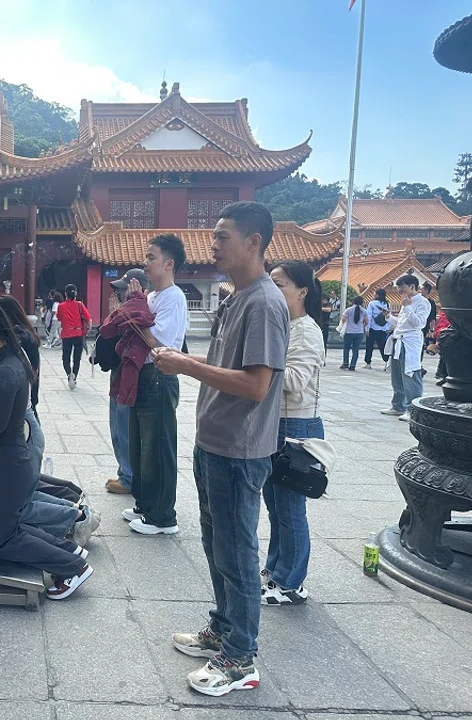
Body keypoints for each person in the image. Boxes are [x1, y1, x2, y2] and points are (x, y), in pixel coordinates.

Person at [153, 201, 289, 697]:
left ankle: (240, 658)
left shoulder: (265, 304)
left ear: (253, 241)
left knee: (235, 549)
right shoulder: (236, 298)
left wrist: (186, 367)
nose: (213, 245)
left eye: (222, 236)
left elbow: (256, 385)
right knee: (217, 545)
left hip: (239, 449)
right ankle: (224, 627)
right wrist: (189, 360)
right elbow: (225, 364)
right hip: (213, 442)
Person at [0, 303, 93, 600]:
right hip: (6, 458)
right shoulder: (8, 360)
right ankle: (68, 549)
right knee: (7, 526)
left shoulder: (7, 369)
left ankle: (72, 566)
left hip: (5, 460)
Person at [0, 296, 100, 546]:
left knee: (19, 501)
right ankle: (77, 512)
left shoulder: (16, 346)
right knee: (24, 491)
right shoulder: (24, 340)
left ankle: (78, 516)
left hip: (24, 421)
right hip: (28, 415)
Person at [262, 261, 326, 606]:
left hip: (297, 428)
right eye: (271, 283)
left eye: (281, 284)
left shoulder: (306, 330)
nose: (274, 290)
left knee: (289, 509)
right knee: (275, 506)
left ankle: (291, 583)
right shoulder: (284, 325)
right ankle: (275, 570)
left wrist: (255, 372)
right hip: (278, 425)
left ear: (302, 291)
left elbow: (294, 381)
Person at [114, 235, 188, 536]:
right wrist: (137, 305)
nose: (145, 262)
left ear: (168, 264)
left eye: (151, 257)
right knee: (139, 445)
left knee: (158, 447)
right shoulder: (153, 297)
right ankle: (145, 505)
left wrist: (135, 308)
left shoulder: (174, 297)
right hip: (141, 376)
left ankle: (163, 517)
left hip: (159, 376)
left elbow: (157, 343)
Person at [103, 269, 148, 495]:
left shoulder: (140, 312)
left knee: (124, 428)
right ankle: (124, 471)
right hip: (116, 373)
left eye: (123, 290)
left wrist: (117, 315)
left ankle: (129, 476)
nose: (119, 294)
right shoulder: (123, 312)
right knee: (116, 427)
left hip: (130, 375)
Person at [381, 274, 431, 422]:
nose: (400, 292)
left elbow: (418, 324)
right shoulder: (405, 303)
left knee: (410, 375)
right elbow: (402, 323)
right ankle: (398, 405)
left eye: (402, 288)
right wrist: (389, 317)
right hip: (399, 340)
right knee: (396, 375)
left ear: (412, 286)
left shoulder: (423, 302)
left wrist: (408, 307)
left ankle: (412, 409)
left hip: (410, 342)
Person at [56, 284, 92, 390]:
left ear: (65, 293)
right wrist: (87, 330)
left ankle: (69, 374)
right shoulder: (80, 305)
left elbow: (59, 318)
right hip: (78, 334)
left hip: (66, 334)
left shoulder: (61, 306)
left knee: (65, 357)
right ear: (75, 293)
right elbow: (88, 319)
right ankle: (74, 376)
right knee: (77, 358)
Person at [363, 288, 391, 370]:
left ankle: (368, 363)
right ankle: (386, 362)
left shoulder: (372, 304)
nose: (373, 295)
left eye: (374, 293)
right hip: (383, 329)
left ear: (377, 295)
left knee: (369, 346)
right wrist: (387, 328)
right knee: (383, 346)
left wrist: (367, 328)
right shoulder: (388, 304)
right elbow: (389, 317)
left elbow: (369, 316)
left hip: (373, 328)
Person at [339, 296, 367, 371]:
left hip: (349, 331)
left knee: (346, 348)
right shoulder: (364, 311)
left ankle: (345, 363)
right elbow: (366, 321)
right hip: (359, 332)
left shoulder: (348, 310)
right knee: (355, 349)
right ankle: (353, 365)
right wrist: (362, 326)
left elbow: (343, 319)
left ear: (353, 301)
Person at [432, 310, 451, 386]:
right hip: (443, 334)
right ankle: (444, 376)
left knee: (447, 358)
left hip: (447, 335)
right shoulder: (444, 312)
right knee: (444, 357)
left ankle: (446, 376)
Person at [421, 281, 438, 366]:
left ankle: (418, 363)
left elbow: (432, 317)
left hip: (424, 326)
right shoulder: (417, 300)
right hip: (416, 326)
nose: (420, 290)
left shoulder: (431, 302)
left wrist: (431, 330)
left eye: (422, 289)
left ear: (427, 290)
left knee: (420, 344)